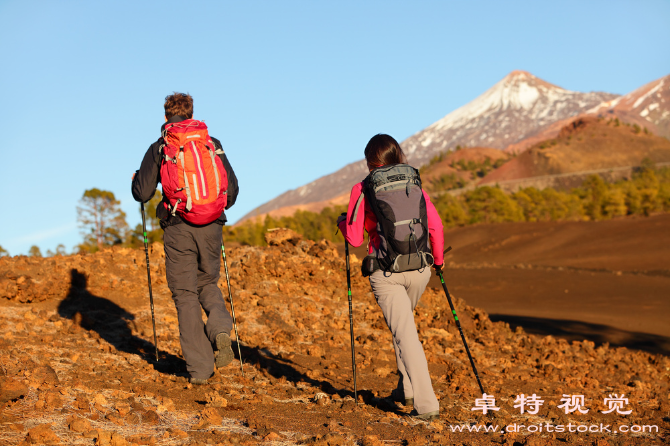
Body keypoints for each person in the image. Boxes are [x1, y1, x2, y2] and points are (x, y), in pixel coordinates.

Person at [132, 92, 239, 385]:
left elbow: (142, 193)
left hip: (178, 226)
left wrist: (135, 181)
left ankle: (201, 371)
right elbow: (232, 192)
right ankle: (219, 329)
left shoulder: (162, 146)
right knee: (207, 283)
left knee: (185, 295)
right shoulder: (211, 143)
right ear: (192, 114)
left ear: (166, 116)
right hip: (212, 225)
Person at [337, 134, 444, 421]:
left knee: (405, 334)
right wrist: (440, 261)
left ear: (370, 161)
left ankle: (426, 404)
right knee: (404, 326)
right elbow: (434, 224)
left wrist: (341, 222)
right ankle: (405, 390)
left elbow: (355, 238)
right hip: (421, 269)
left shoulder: (363, 187)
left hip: (387, 272)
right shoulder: (414, 182)